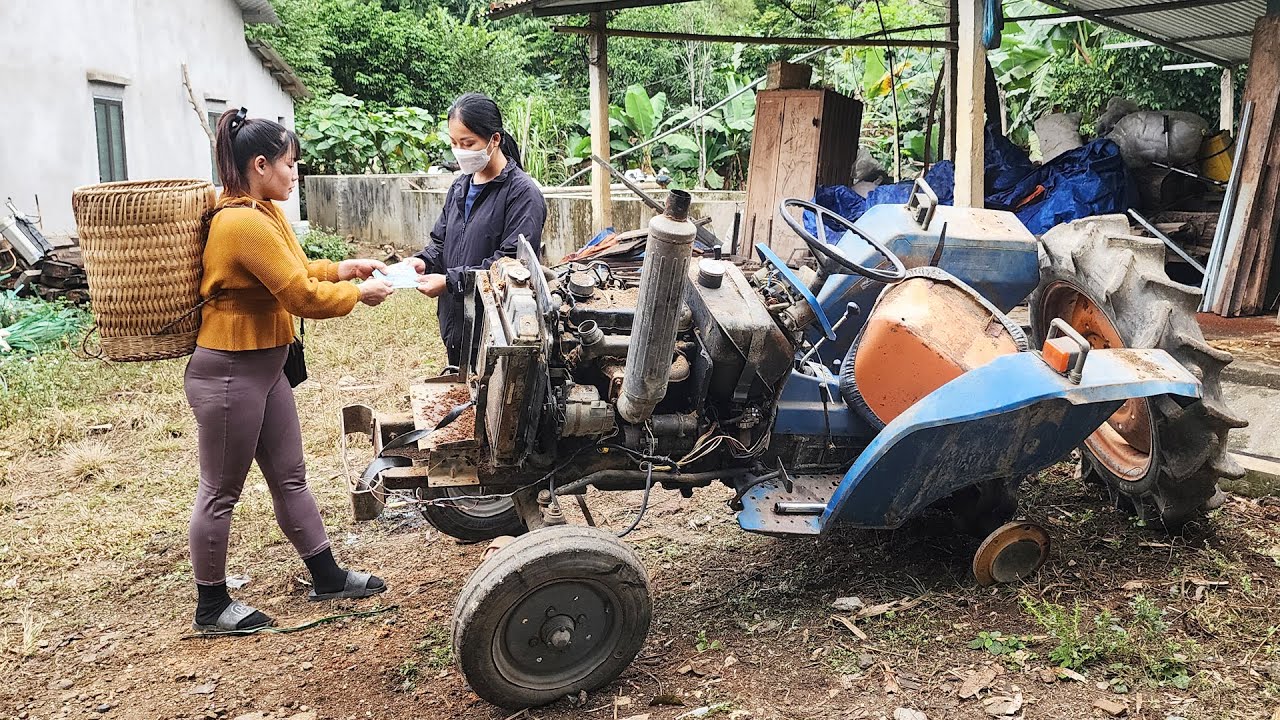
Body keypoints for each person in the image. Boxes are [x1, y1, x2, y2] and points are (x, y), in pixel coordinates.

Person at [184, 107, 395, 634]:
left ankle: (326, 575)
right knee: (220, 490)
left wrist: (344, 269)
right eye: (290, 164)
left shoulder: (264, 213)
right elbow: (299, 295)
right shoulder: (239, 223)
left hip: (266, 367)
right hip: (230, 373)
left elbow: (298, 270)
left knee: (290, 476)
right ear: (260, 164)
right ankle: (211, 606)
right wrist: (356, 293)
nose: (295, 174)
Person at [407, 93, 548, 366]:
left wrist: (450, 282)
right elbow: (441, 241)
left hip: (496, 329)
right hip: (456, 321)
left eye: (468, 143)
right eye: (454, 143)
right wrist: (422, 262)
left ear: (494, 140)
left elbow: (510, 266)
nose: (460, 151)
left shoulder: (522, 194)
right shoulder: (461, 186)